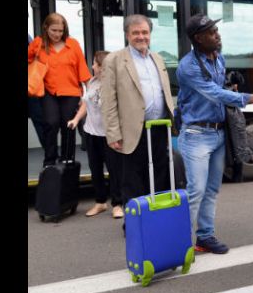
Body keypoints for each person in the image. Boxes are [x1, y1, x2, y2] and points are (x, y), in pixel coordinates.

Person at [176, 14, 253, 254]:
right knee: (196, 191)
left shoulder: (218, 58)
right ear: (198, 38)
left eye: (216, 30)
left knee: (212, 189)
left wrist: (232, 86)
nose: (217, 35)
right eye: (211, 33)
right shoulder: (188, 66)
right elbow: (214, 93)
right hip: (196, 134)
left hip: (219, 133)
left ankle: (205, 237)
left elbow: (221, 89)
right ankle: (177, 244)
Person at [101, 14, 175, 234]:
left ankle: (158, 223)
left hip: (159, 127)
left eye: (144, 32)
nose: (141, 37)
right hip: (132, 131)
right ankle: (134, 227)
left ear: (150, 34)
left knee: (160, 178)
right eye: (136, 33)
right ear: (127, 35)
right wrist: (113, 133)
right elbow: (108, 100)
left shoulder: (158, 58)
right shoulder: (114, 60)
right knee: (133, 180)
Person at [66, 51, 125, 218]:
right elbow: (86, 104)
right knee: (95, 169)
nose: (92, 66)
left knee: (114, 170)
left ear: (102, 67)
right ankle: (100, 202)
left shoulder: (115, 84)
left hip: (109, 135)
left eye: (94, 64)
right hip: (91, 133)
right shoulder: (92, 82)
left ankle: (117, 204)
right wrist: (76, 119)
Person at [28, 13, 91, 167]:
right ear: (46, 28)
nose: (57, 34)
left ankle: (67, 158)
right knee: (51, 123)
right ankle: (49, 160)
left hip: (71, 91)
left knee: (68, 124)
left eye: (60, 31)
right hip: (48, 91)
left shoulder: (73, 45)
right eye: (54, 30)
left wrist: (89, 92)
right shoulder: (38, 43)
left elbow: (82, 69)